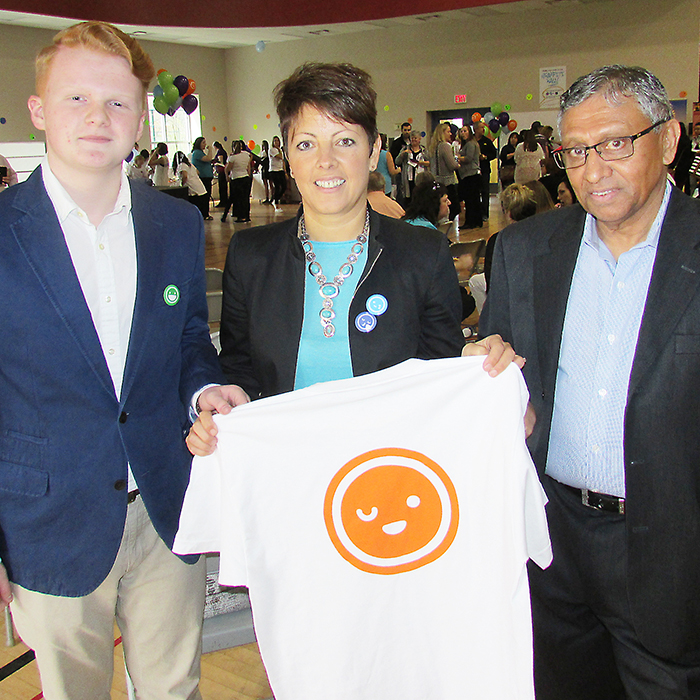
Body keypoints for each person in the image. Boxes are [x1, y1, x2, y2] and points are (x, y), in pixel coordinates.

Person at [0, 20, 246, 700]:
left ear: (140, 117)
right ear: (39, 111)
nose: (97, 117)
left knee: (174, 687)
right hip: (45, 520)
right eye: (75, 98)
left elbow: (192, 336)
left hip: (165, 504)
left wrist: (205, 391)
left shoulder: (174, 225)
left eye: (116, 102)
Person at [480, 64, 700, 699]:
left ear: (667, 140)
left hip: (671, 547)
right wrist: (494, 381)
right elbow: (503, 372)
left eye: (615, 144)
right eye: (576, 150)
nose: (593, 170)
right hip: (553, 542)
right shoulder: (523, 251)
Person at [187, 62, 519, 456]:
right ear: (288, 157)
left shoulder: (421, 253)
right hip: (284, 466)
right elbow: (239, 367)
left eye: (344, 141)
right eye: (306, 144)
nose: (325, 161)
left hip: (388, 471)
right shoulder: (251, 256)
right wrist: (221, 406)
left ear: (374, 149)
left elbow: (441, 363)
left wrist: (477, 360)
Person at [428, 122, 460, 221]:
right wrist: (458, 164)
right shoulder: (445, 146)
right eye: (448, 131)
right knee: (454, 207)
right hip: (447, 181)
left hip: (436, 180)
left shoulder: (433, 147)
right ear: (442, 133)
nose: (450, 134)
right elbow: (451, 165)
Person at [455, 124, 482, 229]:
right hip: (468, 175)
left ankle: (471, 222)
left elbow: (469, 158)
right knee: (473, 200)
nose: (463, 133)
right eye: (461, 131)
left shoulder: (471, 144)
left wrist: (458, 158)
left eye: (465, 131)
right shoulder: (467, 144)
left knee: (471, 200)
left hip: (471, 175)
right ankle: (476, 221)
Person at [393, 129, 429, 205]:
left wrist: (421, 163)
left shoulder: (424, 150)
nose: (413, 140)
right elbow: (397, 161)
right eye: (412, 138)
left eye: (415, 138)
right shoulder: (405, 149)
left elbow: (430, 163)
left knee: (420, 198)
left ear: (419, 139)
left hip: (420, 178)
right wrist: (402, 154)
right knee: (408, 199)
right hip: (408, 178)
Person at [221, 140, 252, 223]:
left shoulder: (233, 157)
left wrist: (227, 176)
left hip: (236, 178)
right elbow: (248, 167)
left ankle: (237, 216)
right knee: (245, 198)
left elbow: (228, 168)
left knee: (234, 198)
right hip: (245, 177)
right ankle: (247, 216)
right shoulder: (246, 156)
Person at [173, 150, 209, 219]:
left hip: (194, 190)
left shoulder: (182, 165)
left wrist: (182, 185)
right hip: (200, 188)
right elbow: (198, 172)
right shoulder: (190, 164)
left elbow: (185, 176)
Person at [474, 121, 498, 219]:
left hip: (484, 169)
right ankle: (476, 212)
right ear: (475, 129)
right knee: (474, 192)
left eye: (483, 128)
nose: (483, 130)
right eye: (481, 128)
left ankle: (485, 213)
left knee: (485, 191)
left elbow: (494, 153)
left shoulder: (486, 141)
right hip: (473, 170)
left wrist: (486, 157)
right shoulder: (471, 141)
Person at [190, 136, 214, 219]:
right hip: (203, 177)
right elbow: (208, 158)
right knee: (204, 197)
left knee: (207, 196)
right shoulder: (197, 152)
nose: (205, 144)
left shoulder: (200, 152)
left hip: (207, 177)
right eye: (203, 143)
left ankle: (205, 213)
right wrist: (210, 150)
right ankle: (204, 214)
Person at [268, 134, 286, 212]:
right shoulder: (272, 150)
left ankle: (276, 198)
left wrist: (284, 171)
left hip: (280, 170)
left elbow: (282, 161)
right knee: (277, 186)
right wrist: (279, 150)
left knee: (284, 186)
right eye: (275, 141)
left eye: (278, 141)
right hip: (274, 170)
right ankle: (275, 202)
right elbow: (279, 156)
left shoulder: (280, 150)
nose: (276, 142)